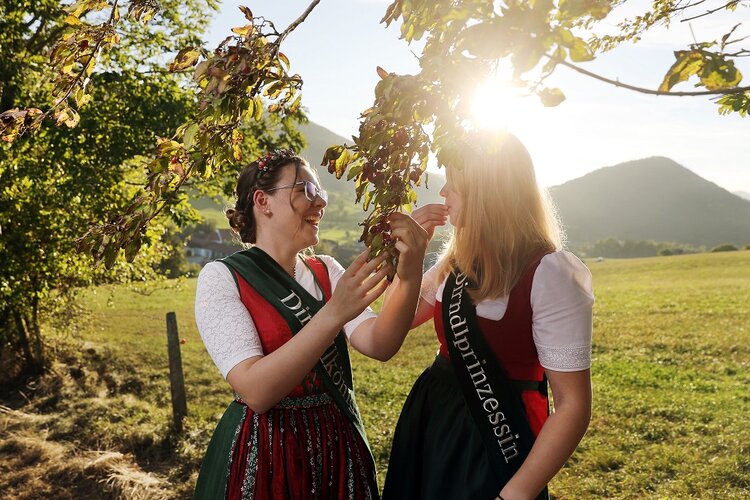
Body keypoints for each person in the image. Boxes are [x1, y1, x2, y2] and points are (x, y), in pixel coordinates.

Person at [193, 149, 428, 500]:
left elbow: (380, 344)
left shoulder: (326, 270)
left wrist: (409, 276)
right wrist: (334, 313)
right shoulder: (223, 277)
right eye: (306, 190)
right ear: (263, 201)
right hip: (268, 456)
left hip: (337, 447)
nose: (320, 203)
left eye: (322, 193)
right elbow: (256, 391)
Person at [382, 132, 594, 500]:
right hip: (433, 425)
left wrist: (515, 495)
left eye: (455, 184)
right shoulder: (454, 263)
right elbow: (395, 319)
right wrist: (409, 262)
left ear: (487, 191)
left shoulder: (550, 272)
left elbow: (573, 406)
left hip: (498, 437)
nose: (443, 192)